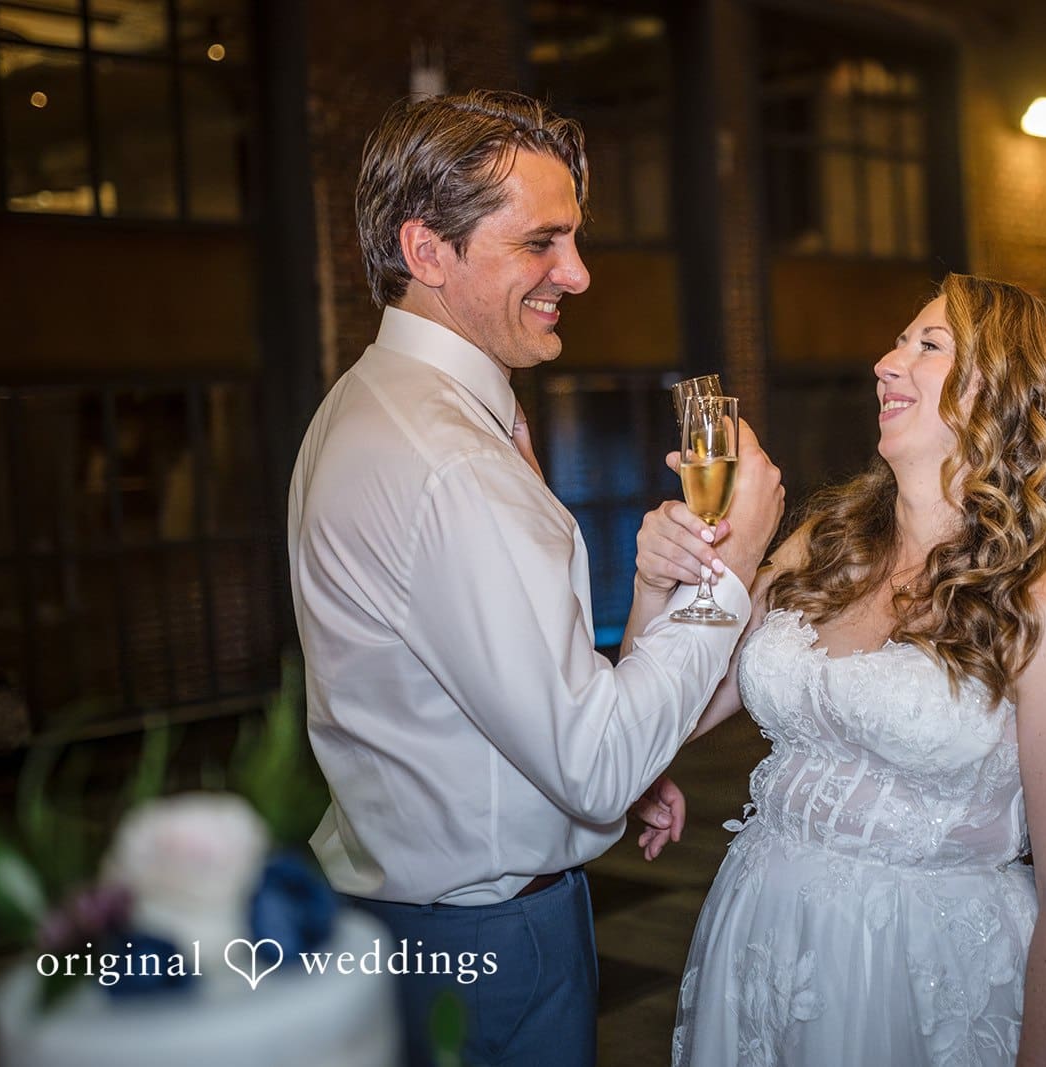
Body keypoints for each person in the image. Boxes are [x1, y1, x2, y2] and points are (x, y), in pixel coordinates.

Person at [286, 89, 783, 1067]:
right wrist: (730, 570)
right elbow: (593, 762)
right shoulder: (453, 462)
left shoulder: (365, 401)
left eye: (575, 239)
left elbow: (496, 696)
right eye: (541, 243)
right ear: (427, 250)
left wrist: (605, 761)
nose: (578, 273)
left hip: (395, 921)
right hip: (485, 949)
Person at [632, 274, 1046, 1065]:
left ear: (1009, 393)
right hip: (766, 937)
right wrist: (657, 583)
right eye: (897, 342)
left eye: (928, 345)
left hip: (927, 974)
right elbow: (660, 711)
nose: (886, 363)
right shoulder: (825, 543)